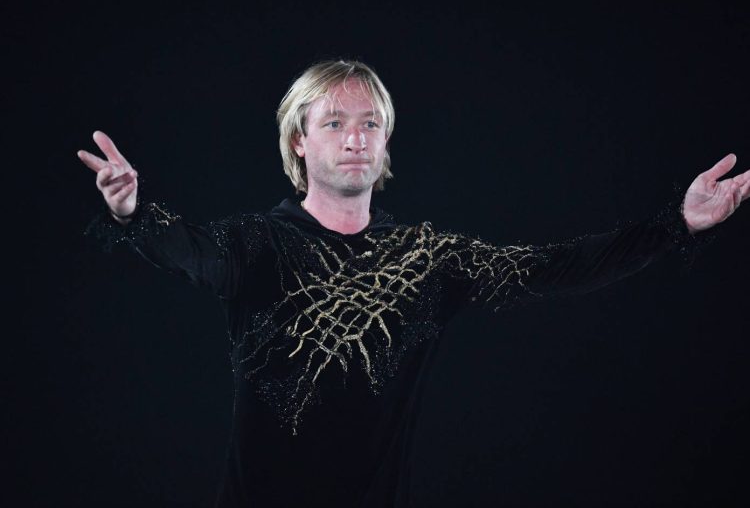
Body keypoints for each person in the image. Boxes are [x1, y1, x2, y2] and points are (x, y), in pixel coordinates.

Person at [77, 60, 749, 507]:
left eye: (370, 123)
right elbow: (189, 251)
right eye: (334, 123)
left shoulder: (427, 258)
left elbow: (553, 267)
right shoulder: (257, 245)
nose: (355, 139)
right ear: (299, 141)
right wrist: (131, 211)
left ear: (387, 140)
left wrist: (676, 224)